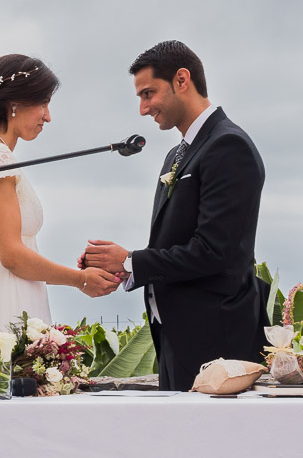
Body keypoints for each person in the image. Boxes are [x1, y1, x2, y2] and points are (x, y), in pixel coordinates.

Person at [82, 41, 268, 390]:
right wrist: (123, 266)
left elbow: (216, 252)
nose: (143, 108)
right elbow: (176, 243)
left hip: (218, 341)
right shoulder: (175, 155)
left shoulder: (229, 146)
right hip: (175, 338)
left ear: (182, 80)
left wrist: (133, 261)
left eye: (148, 93)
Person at [0, 54, 119, 336]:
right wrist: (80, 279)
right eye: (43, 103)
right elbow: (12, 255)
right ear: (14, 104)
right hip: (6, 296)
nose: (48, 116)